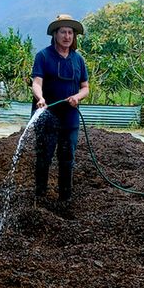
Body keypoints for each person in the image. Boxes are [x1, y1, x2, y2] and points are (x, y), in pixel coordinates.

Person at [31, 14, 89, 202]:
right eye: (63, 32)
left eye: (70, 32)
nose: (67, 36)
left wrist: (77, 97)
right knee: (44, 158)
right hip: (47, 116)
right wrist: (40, 98)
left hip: (70, 118)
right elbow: (36, 82)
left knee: (67, 159)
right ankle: (40, 197)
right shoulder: (43, 56)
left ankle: (65, 198)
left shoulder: (78, 60)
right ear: (55, 34)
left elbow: (85, 87)